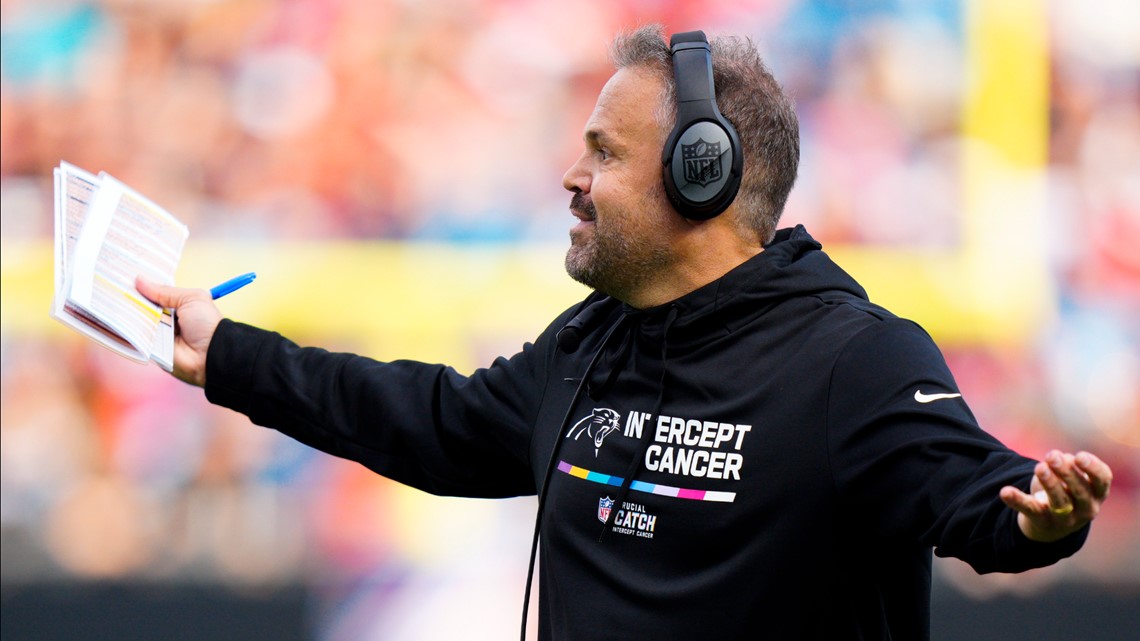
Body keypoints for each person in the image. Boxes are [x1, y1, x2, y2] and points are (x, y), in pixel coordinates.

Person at [138, 25, 1112, 641]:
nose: (572, 177)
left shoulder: (853, 358)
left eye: (603, 152)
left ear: (703, 173)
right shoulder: (593, 340)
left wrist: (1036, 516)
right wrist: (226, 353)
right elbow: (433, 422)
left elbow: (975, 491)